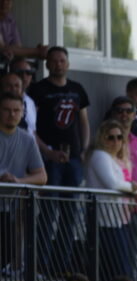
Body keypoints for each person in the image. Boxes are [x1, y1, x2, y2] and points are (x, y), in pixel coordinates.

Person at [84, 119, 137, 281]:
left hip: (116, 220)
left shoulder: (114, 158)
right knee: (111, 266)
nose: (115, 142)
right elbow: (113, 184)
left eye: (119, 137)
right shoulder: (100, 155)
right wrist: (132, 188)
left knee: (120, 267)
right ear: (102, 138)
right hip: (103, 220)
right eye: (110, 137)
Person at [29, 47, 90, 187]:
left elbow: (84, 122)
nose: (58, 65)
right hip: (47, 156)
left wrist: (85, 149)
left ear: (68, 64)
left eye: (62, 61)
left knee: (71, 204)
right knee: (50, 201)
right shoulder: (38, 89)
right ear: (47, 64)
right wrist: (47, 151)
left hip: (74, 156)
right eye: (54, 61)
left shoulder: (77, 88)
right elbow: (30, 126)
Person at [0, 92, 44, 275]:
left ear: (23, 112)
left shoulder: (27, 139)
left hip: (12, 209)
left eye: (16, 110)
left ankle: (17, 268)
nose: (12, 114)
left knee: (7, 253)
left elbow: (42, 177)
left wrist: (18, 181)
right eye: (7, 110)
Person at [9, 57, 37, 134]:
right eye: (19, 72)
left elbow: (32, 133)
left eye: (28, 73)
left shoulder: (30, 102)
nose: (24, 77)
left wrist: (46, 146)